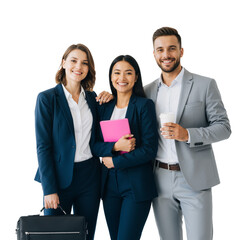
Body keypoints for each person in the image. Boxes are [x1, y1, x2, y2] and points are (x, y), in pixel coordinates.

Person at [144, 27, 231, 240]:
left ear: (181, 51)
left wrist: (187, 134)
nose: (166, 55)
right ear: (154, 54)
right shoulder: (146, 92)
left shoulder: (205, 85)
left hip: (195, 177)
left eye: (172, 48)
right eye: (160, 50)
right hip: (159, 178)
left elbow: (223, 127)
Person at [34, 43, 112, 240]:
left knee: (85, 235)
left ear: (89, 69)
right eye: (74, 61)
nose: (79, 67)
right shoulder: (47, 99)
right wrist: (49, 189)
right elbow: (43, 147)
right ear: (63, 63)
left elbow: (101, 132)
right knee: (55, 236)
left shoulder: (93, 99)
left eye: (85, 63)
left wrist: (111, 97)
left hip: (89, 178)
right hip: (58, 179)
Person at [92, 55, 158, 240]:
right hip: (109, 185)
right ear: (111, 76)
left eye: (128, 73)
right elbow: (94, 145)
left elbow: (149, 149)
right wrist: (114, 147)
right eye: (117, 73)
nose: (122, 78)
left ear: (136, 77)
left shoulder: (144, 105)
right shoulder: (104, 107)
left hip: (136, 184)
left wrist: (115, 162)